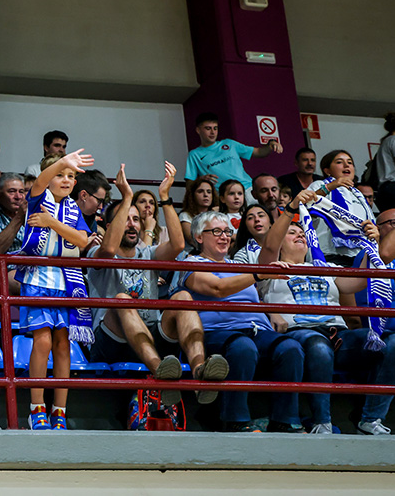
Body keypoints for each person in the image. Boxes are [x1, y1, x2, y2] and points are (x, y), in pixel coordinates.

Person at [89, 163, 228, 406]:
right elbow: (109, 248)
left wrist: (164, 198)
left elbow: (176, 246)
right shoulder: (96, 252)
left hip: (151, 333)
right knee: (122, 299)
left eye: (136, 219)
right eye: (126, 219)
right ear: (110, 227)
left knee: (183, 297)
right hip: (111, 339)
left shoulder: (148, 253)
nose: (132, 224)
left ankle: (200, 370)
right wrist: (127, 196)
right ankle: (159, 372)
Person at [256, 189, 376, 434]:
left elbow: (358, 282)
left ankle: (372, 419)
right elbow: (269, 244)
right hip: (300, 334)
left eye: (302, 232)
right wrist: (291, 208)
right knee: (319, 346)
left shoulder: (325, 266)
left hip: (338, 336)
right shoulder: (271, 268)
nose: (299, 234)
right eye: (292, 232)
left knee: (389, 343)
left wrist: (371, 244)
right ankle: (323, 422)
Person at [180, 211, 305, 433]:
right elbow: (217, 289)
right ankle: (234, 420)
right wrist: (258, 274)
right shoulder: (191, 262)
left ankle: (285, 420)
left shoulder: (238, 265)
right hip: (218, 331)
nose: (224, 237)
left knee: (291, 347)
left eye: (227, 232)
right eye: (216, 232)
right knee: (242, 347)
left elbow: (254, 292)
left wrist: (270, 311)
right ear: (199, 237)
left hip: (257, 328)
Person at [16, 150, 95, 430]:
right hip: (38, 278)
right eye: (60, 174)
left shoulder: (74, 210)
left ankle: (59, 410)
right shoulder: (37, 199)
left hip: (67, 281)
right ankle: (36, 406)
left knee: (63, 346)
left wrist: (52, 224)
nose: (65, 179)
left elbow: (82, 241)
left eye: (71, 176)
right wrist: (61, 162)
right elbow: (39, 181)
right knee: (44, 342)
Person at [351, 197, 395, 435]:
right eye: (394, 222)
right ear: (377, 227)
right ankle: (370, 419)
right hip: (392, 333)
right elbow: (384, 252)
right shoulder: (369, 255)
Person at [306, 150, 379, 266]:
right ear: (327, 170)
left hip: (359, 256)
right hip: (329, 255)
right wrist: (331, 186)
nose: (346, 165)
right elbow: (306, 205)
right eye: (340, 162)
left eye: (350, 162)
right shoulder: (320, 185)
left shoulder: (359, 195)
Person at [185, 112, 283, 190]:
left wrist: (271, 143)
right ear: (198, 130)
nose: (212, 132)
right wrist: (201, 180)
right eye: (208, 128)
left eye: (215, 128)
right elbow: (189, 184)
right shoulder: (194, 154)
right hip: (224, 197)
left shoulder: (230, 144)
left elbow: (259, 152)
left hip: (248, 188)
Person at [0, 172, 26, 294]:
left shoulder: (31, 216)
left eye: (21, 192)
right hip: (4, 269)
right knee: (26, 284)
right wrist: (19, 218)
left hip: (31, 267)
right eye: (12, 191)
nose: (18, 196)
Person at [71, 171, 110, 248]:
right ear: (83, 195)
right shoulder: (62, 214)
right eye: (99, 201)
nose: (100, 207)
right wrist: (80, 248)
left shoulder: (90, 219)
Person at [179, 178, 217, 249]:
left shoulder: (217, 214)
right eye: (200, 191)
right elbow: (192, 239)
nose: (206, 195)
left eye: (209, 192)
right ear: (192, 195)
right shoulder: (185, 215)